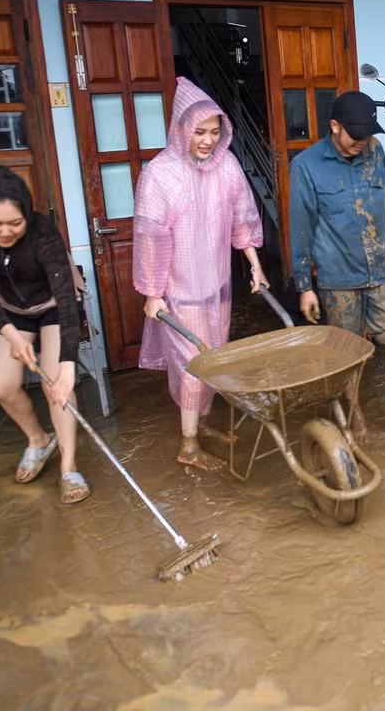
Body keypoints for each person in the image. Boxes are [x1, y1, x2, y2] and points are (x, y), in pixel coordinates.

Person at [133, 77, 268, 472]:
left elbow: (242, 218)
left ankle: (202, 425)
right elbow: (150, 237)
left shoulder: (225, 166)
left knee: (214, 359)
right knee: (195, 365)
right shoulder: (159, 175)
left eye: (214, 132)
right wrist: (153, 292)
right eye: (199, 132)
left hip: (217, 286)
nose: (208, 140)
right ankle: (188, 444)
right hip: (180, 291)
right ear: (180, 130)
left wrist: (256, 266)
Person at [288, 91, 385, 446]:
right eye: (355, 136)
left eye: (368, 136)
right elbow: (301, 226)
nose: (362, 143)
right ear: (334, 127)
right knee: (348, 355)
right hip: (338, 278)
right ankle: (356, 422)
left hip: (381, 269)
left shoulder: (374, 152)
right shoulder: (306, 166)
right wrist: (305, 285)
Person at [0, 166, 89, 504]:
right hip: (9, 312)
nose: (5, 232)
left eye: (14, 224)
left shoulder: (43, 232)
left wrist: (67, 367)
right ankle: (38, 440)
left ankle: (69, 467)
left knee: (55, 386)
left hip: (53, 307)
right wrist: (11, 336)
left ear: (27, 216)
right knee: (2, 385)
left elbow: (65, 298)